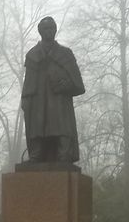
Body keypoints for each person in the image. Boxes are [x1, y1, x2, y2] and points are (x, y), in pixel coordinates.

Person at [20, 16, 85, 163]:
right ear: (40, 32)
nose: (49, 32)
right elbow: (28, 82)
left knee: (61, 127)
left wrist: (65, 85)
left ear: (55, 30)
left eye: (51, 29)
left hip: (59, 101)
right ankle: (36, 154)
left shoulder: (65, 54)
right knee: (37, 127)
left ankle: (64, 154)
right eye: (45, 29)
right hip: (38, 100)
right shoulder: (32, 55)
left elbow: (78, 85)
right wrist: (25, 99)